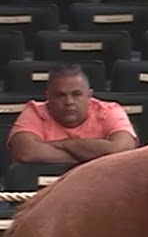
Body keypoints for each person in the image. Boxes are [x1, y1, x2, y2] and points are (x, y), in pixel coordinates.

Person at [7, 63, 138, 165]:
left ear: (89, 95)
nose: (69, 102)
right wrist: (90, 154)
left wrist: (64, 144)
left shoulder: (109, 111)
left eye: (76, 94)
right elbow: (25, 152)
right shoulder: (34, 112)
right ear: (48, 97)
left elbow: (122, 150)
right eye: (60, 95)